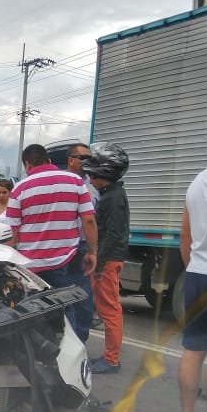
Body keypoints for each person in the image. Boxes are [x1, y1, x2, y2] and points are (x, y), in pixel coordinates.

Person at [5, 143, 97, 339]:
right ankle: (72, 352)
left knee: (34, 310)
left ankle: (40, 352)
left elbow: (11, 236)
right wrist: (93, 252)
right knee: (67, 306)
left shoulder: (19, 189)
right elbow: (88, 220)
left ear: (27, 164)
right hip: (66, 259)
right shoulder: (75, 182)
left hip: (31, 266)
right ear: (48, 160)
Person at [81, 143, 130, 375]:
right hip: (108, 259)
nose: (90, 179)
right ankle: (110, 357)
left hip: (108, 261)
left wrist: (98, 264)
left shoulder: (113, 198)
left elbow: (112, 235)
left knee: (110, 311)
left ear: (106, 174)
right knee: (109, 309)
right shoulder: (112, 194)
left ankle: (111, 360)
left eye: (93, 174)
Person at [175, 162, 207, 412]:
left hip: (198, 274)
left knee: (193, 350)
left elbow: (185, 237)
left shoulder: (198, 181)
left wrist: (193, 267)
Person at [66, 141, 100, 336]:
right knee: (59, 296)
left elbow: (93, 220)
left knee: (84, 297)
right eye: (83, 158)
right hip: (62, 247)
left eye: (90, 159)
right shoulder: (62, 182)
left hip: (83, 247)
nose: (88, 162)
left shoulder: (92, 185)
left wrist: (94, 250)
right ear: (71, 160)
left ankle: (80, 338)